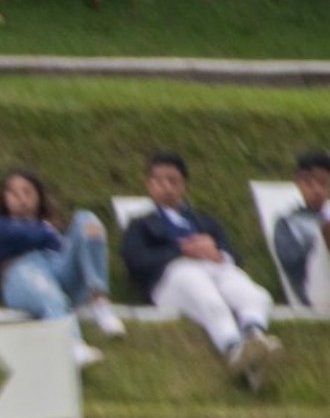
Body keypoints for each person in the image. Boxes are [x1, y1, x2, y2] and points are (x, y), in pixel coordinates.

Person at [122, 152, 281, 389]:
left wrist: (217, 253)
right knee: (207, 297)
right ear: (149, 184)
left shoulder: (204, 221)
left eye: (173, 181)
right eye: (159, 181)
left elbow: (233, 254)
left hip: (215, 267)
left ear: (183, 185)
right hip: (173, 276)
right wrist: (181, 251)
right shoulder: (141, 224)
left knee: (254, 295)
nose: (167, 187)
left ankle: (254, 335)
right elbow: (136, 260)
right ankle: (232, 347)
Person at [0, 170, 126, 367]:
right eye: (13, 193)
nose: (22, 199)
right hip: (21, 272)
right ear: (3, 198)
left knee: (87, 220)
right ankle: (71, 344)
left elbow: (63, 243)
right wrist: (47, 232)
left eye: (27, 192)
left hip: (58, 267)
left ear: (39, 195)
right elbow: (24, 236)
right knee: (50, 294)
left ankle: (100, 301)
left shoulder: (51, 228)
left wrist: (52, 233)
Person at [272, 149, 330, 312]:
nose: (317, 190)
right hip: (317, 288)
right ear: (298, 183)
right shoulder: (287, 223)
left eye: (323, 183)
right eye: (309, 183)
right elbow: (294, 266)